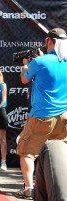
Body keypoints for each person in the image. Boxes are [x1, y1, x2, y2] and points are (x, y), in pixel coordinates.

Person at [15, 28, 67, 199]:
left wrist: (25, 65)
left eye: (46, 41)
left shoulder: (40, 62)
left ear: (50, 41)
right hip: (64, 116)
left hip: (42, 116)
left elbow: (24, 79)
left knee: (27, 153)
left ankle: (29, 187)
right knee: (60, 154)